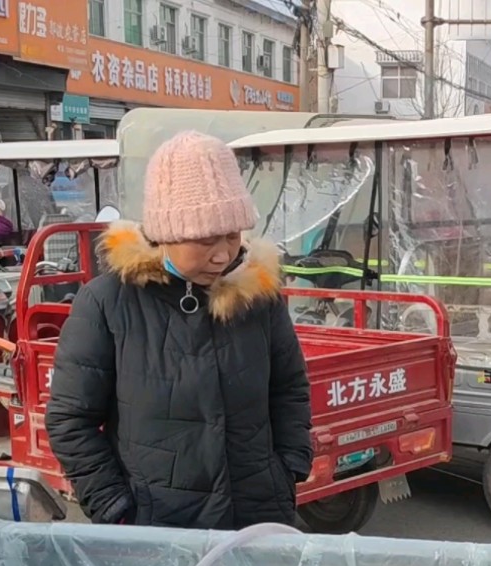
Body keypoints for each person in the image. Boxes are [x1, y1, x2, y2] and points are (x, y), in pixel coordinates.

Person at [45, 130, 312, 529]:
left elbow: (289, 388)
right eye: (204, 239)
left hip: (256, 517)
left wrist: (288, 467)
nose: (223, 254)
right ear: (166, 233)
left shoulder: (258, 297)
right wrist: (116, 507)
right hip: (156, 529)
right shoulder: (107, 303)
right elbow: (70, 420)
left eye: (232, 235)